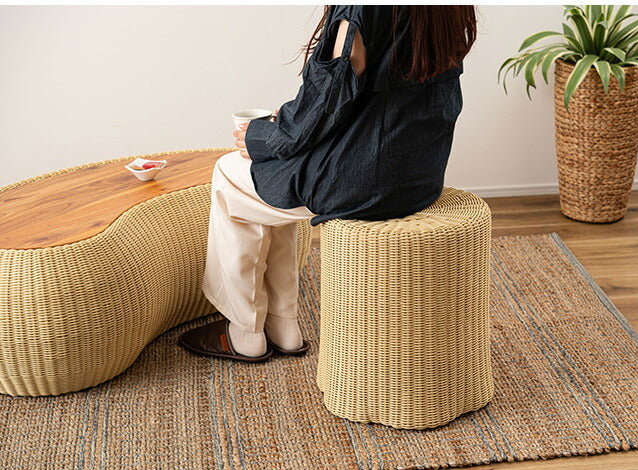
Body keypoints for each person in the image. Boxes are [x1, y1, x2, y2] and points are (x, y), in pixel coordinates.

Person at [178, 5, 478, 362]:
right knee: (271, 181)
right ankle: (282, 327)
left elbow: (336, 82)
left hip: (365, 178)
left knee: (230, 174)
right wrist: (287, 132)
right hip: (419, 174)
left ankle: (245, 332)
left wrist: (268, 135)